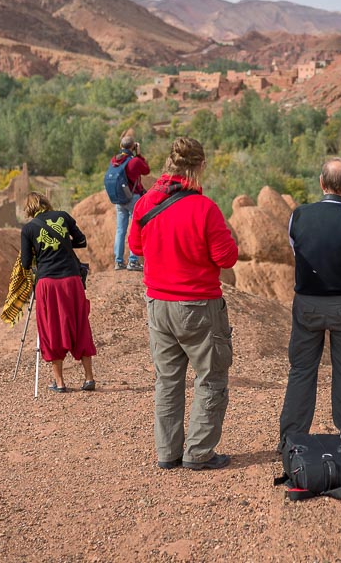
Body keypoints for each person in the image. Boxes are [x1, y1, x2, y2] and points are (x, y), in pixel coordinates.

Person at [128, 137, 239, 470]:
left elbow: (135, 247)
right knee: (211, 378)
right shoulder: (204, 208)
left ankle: (168, 452)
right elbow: (227, 257)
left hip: (158, 305)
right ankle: (199, 452)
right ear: (199, 166)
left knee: (167, 380)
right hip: (198, 306)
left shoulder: (146, 203)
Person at [278, 157, 341, 453]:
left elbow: (299, 252)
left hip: (308, 302)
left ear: (321, 184)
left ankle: (291, 439)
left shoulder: (298, 215)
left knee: (301, 370)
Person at [20, 191, 97, 393]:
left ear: (29, 209)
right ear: (46, 203)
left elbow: (26, 263)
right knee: (80, 323)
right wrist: (63, 245)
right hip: (72, 280)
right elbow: (81, 241)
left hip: (48, 283)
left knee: (51, 327)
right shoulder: (63, 216)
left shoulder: (29, 228)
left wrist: (41, 250)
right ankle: (89, 378)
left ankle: (60, 382)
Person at [110, 134, 151, 271]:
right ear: (133, 147)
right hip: (133, 198)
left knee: (120, 230)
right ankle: (133, 261)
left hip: (119, 199)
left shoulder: (114, 160)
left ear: (121, 146)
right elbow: (146, 170)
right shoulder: (134, 161)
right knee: (135, 228)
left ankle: (118, 261)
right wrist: (139, 155)